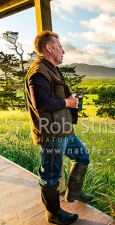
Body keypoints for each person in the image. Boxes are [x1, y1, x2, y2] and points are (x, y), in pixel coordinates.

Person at [25, 30, 92, 225]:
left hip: (64, 130)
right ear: (49, 48)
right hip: (52, 133)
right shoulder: (39, 71)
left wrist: (71, 102)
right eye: (60, 47)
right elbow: (41, 103)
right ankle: (53, 214)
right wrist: (67, 103)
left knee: (82, 156)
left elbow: (54, 96)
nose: (63, 51)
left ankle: (75, 192)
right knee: (51, 175)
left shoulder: (51, 68)